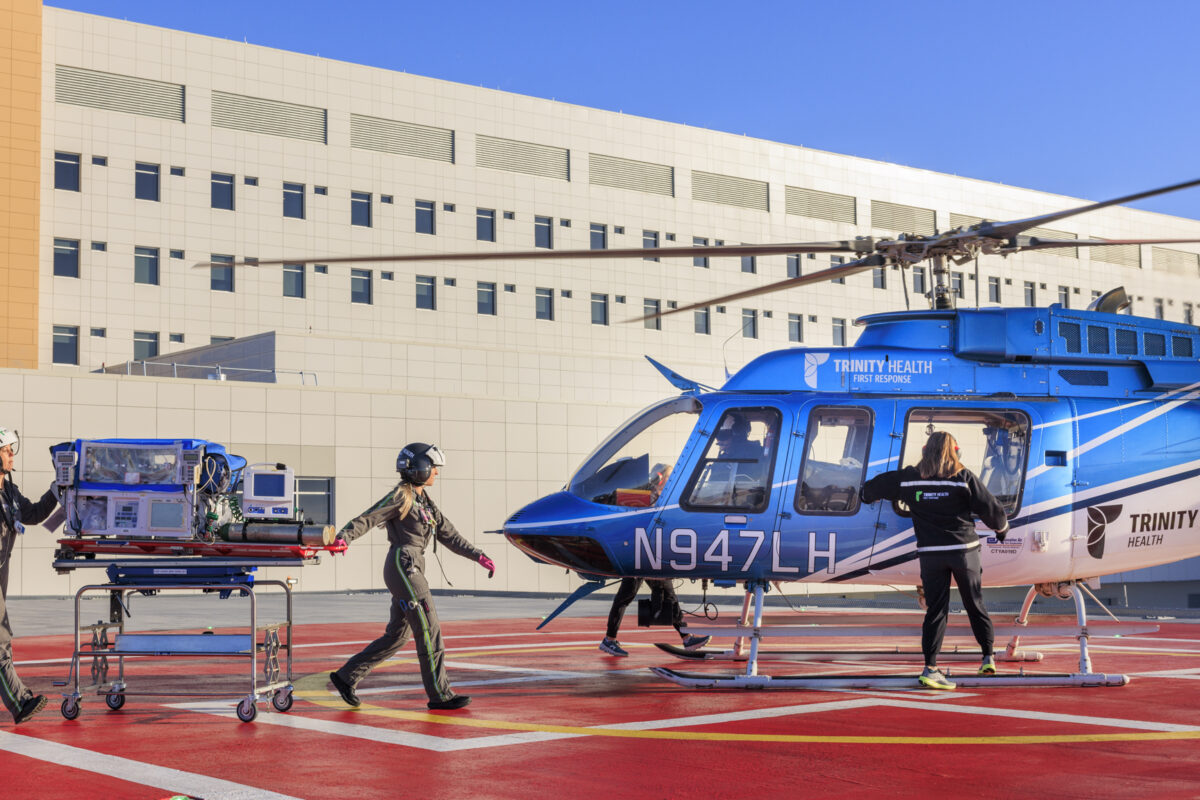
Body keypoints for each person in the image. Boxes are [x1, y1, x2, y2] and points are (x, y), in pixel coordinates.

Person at [330, 443, 495, 711]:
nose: (436, 473)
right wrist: (344, 537)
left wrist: (478, 555)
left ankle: (346, 677)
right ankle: (440, 695)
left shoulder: (425, 502)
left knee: (397, 636)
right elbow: (369, 517)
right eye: (434, 468)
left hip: (412, 565)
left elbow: (449, 535)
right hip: (404, 565)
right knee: (429, 628)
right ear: (421, 468)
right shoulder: (401, 497)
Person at [859, 431, 1009, 690]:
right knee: (974, 603)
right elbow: (991, 509)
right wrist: (1002, 529)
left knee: (936, 610)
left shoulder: (909, 479)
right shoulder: (963, 478)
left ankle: (930, 668)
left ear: (925, 451)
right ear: (956, 452)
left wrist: (865, 495)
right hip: (964, 552)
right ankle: (988, 657)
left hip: (931, 554)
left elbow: (872, 489)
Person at [0, 427, 59, 725]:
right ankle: (20, 702)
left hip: (2, 574)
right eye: (6, 450)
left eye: (12, 449)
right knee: (0, 640)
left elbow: (33, 514)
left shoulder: (9, 492)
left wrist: (55, 492)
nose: (12, 455)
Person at [599, 578, 710, 656]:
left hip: (652, 561)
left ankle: (687, 638)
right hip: (638, 561)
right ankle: (609, 639)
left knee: (670, 597)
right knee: (623, 599)